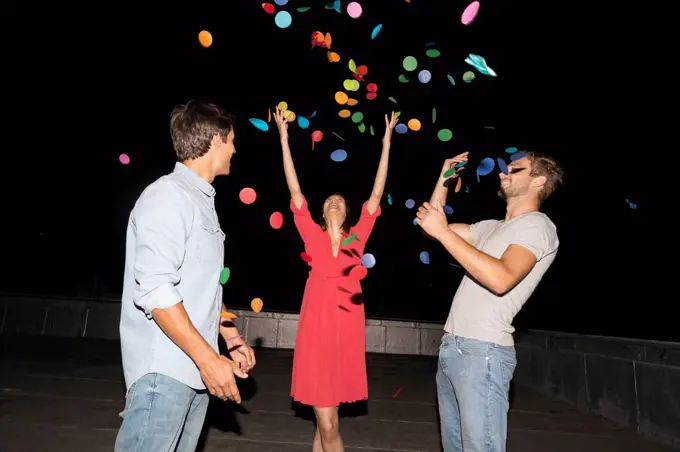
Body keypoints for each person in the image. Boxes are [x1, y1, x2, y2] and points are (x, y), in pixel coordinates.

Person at [115, 100, 256, 452]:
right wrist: (209, 359)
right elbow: (157, 290)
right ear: (214, 140)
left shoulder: (200, 202)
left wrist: (231, 336)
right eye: (232, 140)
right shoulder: (168, 196)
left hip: (193, 371)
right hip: (165, 371)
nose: (235, 149)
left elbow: (201, 287)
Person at [416, 151, 563, 452]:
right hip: (453, 348)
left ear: (539, 180)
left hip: (483, 353)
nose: (502, 173)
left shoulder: (538, 226)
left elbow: (502, 278)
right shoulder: (490, 227)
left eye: (515, 169)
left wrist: (442, 232)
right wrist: (444, 178)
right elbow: (431, 228)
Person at [273, 107, 398, 452]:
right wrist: (284, 139)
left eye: (340, 200)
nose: (334, 201)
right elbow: (294, 187)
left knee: (325, 422)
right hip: (315, 331)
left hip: (345, 332)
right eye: (329, 199)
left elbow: (376, 193)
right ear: (321, 209)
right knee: (326, 421)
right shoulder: (310, 235)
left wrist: (387, 144)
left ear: (347, 212)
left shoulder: (357, 239)